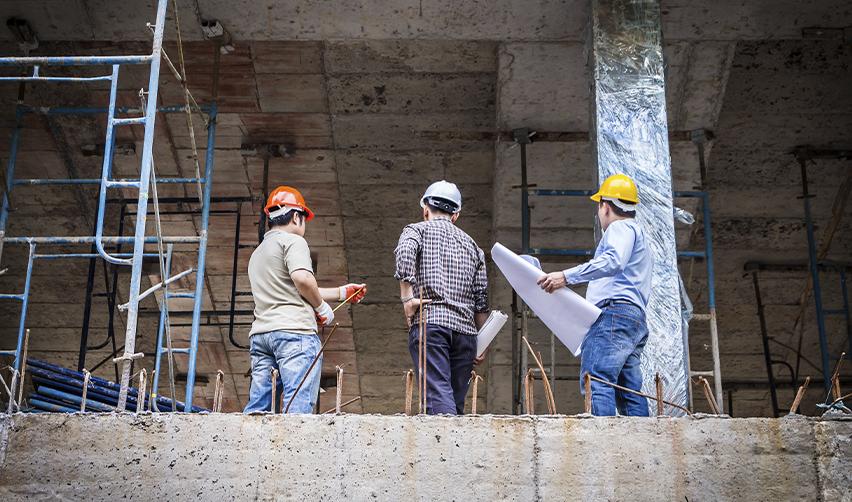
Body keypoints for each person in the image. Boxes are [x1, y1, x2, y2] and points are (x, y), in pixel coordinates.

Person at [537, 174, 653, 416]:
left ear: (606, 206)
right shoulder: (639, 234)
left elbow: (613, 261)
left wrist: (566, 276)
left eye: (599, 207)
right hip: (632, 319)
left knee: (597, 379)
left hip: (613, 316)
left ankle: (605, 439)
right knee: (628, 391)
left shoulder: (619, 228)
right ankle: (643, 442)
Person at [244, 186, 366, 413]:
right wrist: (321, 308)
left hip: (262, 336)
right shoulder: (293, 241)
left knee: (258, 409)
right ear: (297, 216)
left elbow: (292, 288)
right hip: (294, 334)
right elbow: (302, 280)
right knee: (297, 405)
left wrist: (341, 293)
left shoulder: (258, 253)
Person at [394, 180, 489, 415]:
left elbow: (405, 253)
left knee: (437, 399)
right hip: (466, 335)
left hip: (432, 324)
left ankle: (443, 451)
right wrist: (482, 341)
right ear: (455, 214)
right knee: (454, 402)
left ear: (425, 208)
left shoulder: (416, 230)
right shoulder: (473, 246)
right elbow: (481, 298)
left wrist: (407, 298)